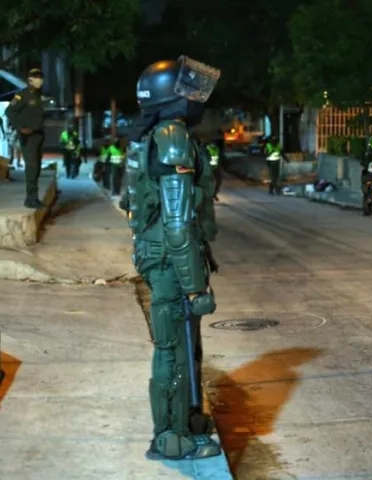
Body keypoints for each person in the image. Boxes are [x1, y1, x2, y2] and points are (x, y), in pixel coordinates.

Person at [119, 56, 222, 461]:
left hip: (163, 256)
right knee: (173, 350)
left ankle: (189, 419)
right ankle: (170, 437)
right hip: (170, 261)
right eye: (189, 91)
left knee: (183, 344)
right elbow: (177, 223)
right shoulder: (172, 136)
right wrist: (196, 285)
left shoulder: (153, 135)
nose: (198, 98)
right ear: (171, 98)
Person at [5, 68, 46, 208]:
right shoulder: (22, 95)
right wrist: (21, 127)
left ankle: (34, 198)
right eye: (36, 76)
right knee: (32, 167)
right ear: (29, 79)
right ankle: (31, 199)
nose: (39, 79)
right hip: (28, 137)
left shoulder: (37, 96)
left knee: (37, 167)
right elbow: (9, 111)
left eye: (40, 76)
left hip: (38, 136)